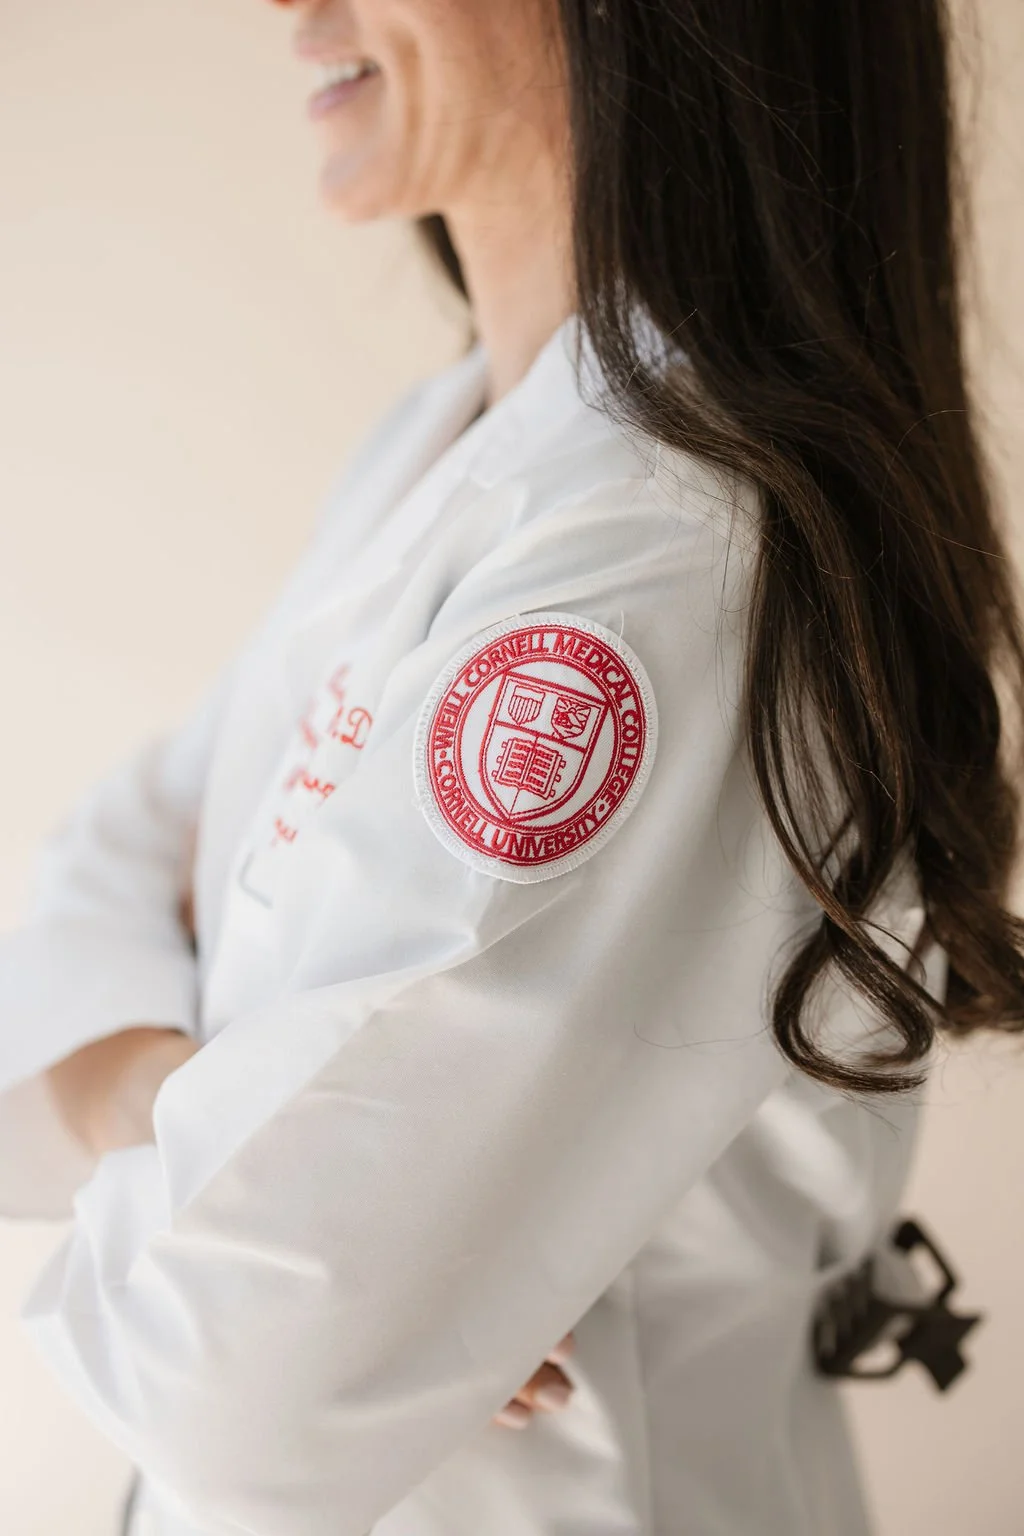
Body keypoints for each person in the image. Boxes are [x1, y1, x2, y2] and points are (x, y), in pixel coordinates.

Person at [1, 0, 1022, 1532]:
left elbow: (236, 1374)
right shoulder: (453, 448)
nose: (293, 5)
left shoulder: (676, 557)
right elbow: (96, 868)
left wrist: (221, 1163)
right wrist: (175, 1100)